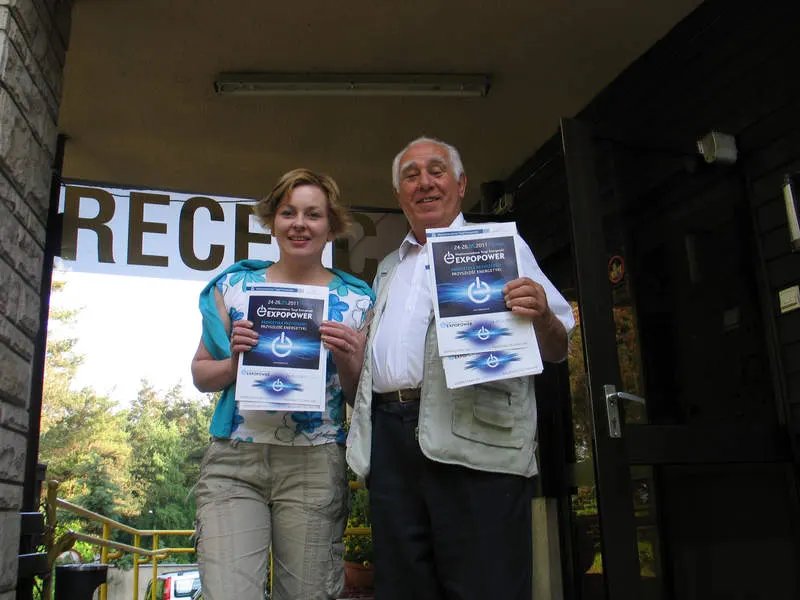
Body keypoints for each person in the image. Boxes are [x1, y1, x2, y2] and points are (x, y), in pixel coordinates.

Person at [346, 137, 575, 599]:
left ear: (461, 184)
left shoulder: (501, 247)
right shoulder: (389, 267)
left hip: (476, 438)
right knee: (404, 586)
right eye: (411, 175)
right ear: (399, 195)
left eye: (436, 171)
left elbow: (557, 347)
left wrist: (542, 316)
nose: (424, 183)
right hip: (390, 442)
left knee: (485, 583)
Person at [191, 168, 374, 600]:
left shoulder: (358, 299)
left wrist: (347, 358)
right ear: (272, 221)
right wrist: (235, 364)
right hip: (234, 464)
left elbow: (359, 398)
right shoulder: (235, 286)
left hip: (315, 464)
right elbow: (200, 374)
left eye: (313, 214)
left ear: (331, 226)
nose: (299, 224)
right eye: (288, 212)